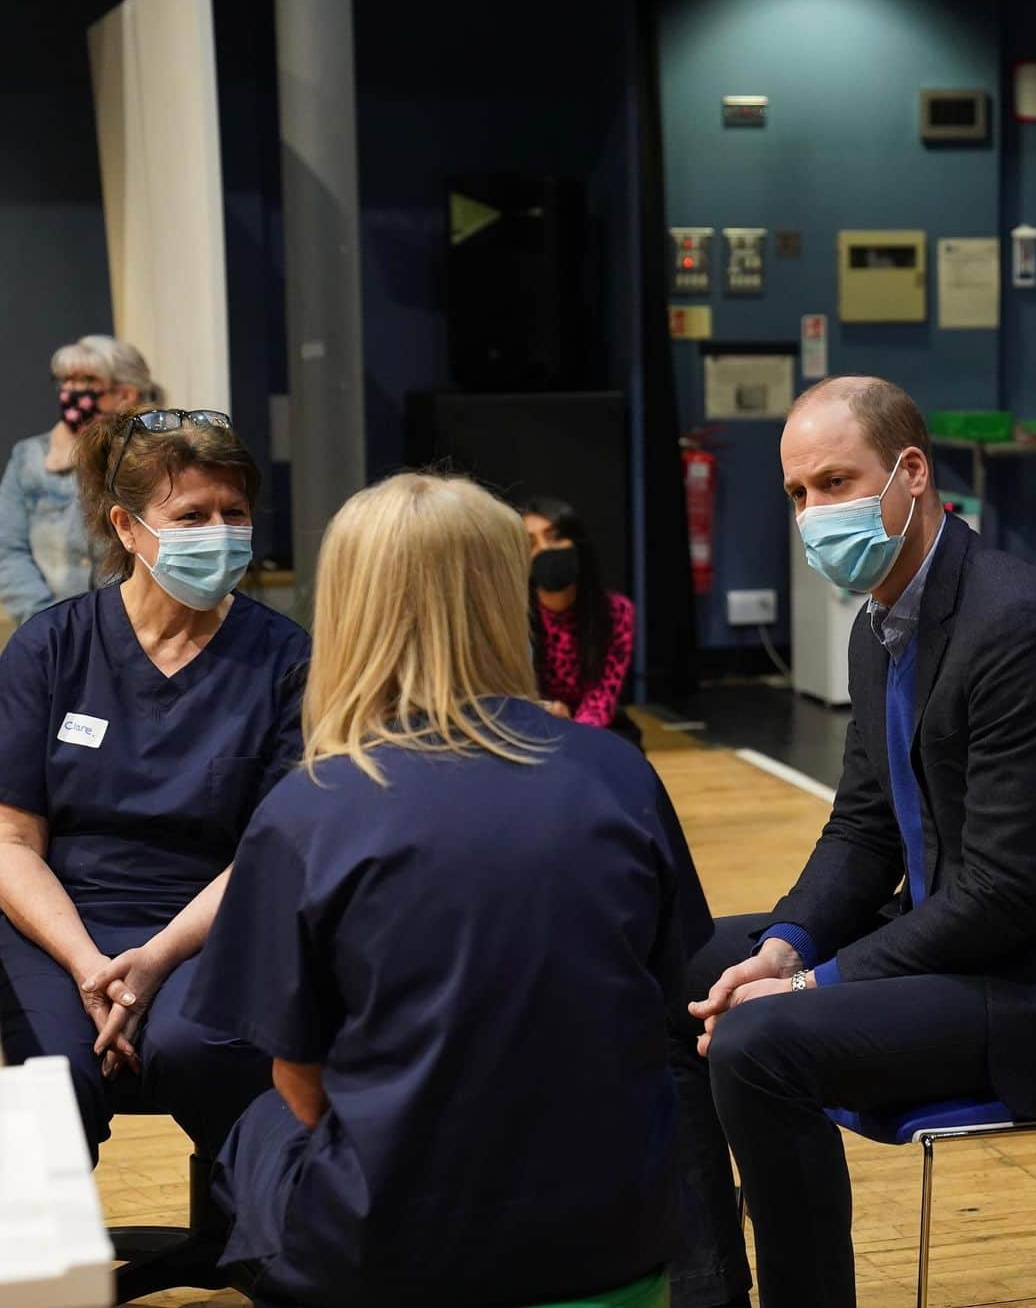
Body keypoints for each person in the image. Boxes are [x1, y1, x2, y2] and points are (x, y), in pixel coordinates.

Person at [183, 472, 712, 1308]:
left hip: (402, 1259)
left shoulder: (309, 808)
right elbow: (660, 994)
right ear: (504, 597)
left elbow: (300, 1082)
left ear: (349, 609)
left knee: (253, 1129)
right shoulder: (618, 771)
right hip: (618, 1237)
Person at [674, 376, 1036, 1308]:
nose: (814, 513)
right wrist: (783, 946)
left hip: (1035, 985)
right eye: (798, 494)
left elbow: (1007, 896)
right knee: (684, 970)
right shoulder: (879, 627)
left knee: (757, 1044)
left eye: (833, 482)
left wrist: (812, 985)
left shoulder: (1019, 625)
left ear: (910, 472)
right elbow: (862, 826)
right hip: (952, 943)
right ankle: (706, 1287)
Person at [0, 407, 310, 1168]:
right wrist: (85, 964)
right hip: (61, 921)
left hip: (213, 925)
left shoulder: (283, 659)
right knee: (54, 1074)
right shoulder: (53, 645)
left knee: (193, 1046)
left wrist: (158, 957)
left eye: (233, 513)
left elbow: (273, 851)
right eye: (192, 515)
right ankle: (52, 1280)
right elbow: (10, 841)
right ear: (128, 527)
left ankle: (265, 1240)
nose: (221, 532)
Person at [0, 335, 159, 625]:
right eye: (65, 380)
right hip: (51, 630)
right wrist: (46, 622)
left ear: (126, 393)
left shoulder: (156, 459)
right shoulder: (29, 458)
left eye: (85, 380)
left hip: (137, 627)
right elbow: (8, 550)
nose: (71, 390)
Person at [523, 495, 639, 744]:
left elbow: (603, 695)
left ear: (575, 542)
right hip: (532, 726)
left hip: (594, 729)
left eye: (553, 536)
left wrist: (575, 735)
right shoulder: (514, 616)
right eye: (530, 543)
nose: (544, 549)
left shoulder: (617, 612)